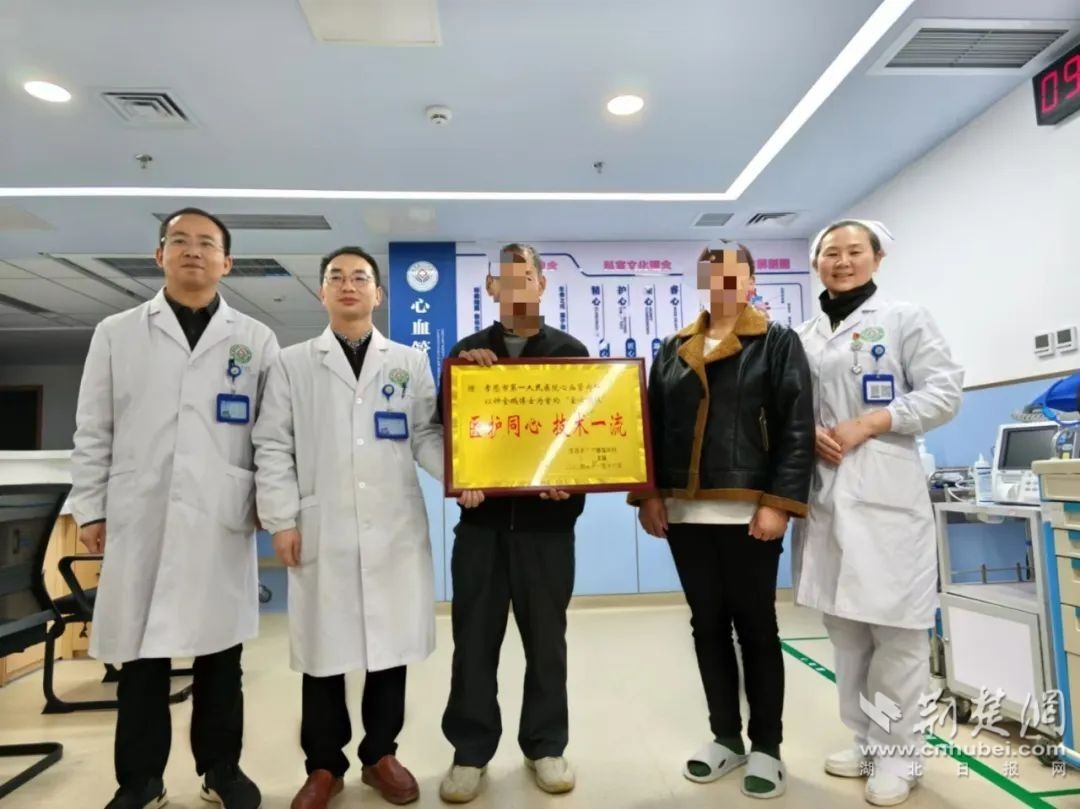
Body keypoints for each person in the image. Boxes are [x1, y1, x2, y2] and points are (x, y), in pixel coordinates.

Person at [253, 246, 477, 809]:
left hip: (392, 525)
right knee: (322, 652)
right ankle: (323, 766)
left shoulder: (408, 361)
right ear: (322, 292)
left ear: (378, 294)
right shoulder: (291, 363)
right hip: (321, 525)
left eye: (360, 277)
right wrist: (281, 519)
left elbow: (425, 435)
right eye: (336, 277)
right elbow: (273, 444)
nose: (348, 285)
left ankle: (380, 755)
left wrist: (461, 475)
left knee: (388, 647)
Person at [70, 208, 277, 809]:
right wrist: (90, 508)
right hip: (143, 512)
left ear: (226, 262)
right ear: (159, 255)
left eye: (206, 243)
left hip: (220, 514)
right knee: (142, 658)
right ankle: (140, 781)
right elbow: (93, 428)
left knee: (221, 655)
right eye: (179, 241)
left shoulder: (255, 338)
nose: (193, 251)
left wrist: (270, 503)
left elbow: (270, 435)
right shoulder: (117, 332)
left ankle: (222, 771)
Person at [633, 242, 814, 799]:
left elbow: (796, 427)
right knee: (706, 626)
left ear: (752, 281)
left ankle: (767, 748)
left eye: (734, 275)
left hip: (748, 510)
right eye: (712, 276)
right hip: (685, 510)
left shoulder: (777, 343)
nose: (723, 285)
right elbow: (651, 425)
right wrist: (649, 495)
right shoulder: (674, 348)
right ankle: (726, 738)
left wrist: (778, 502)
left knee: (756, 627)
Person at [792, 219, 963, 806]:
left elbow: (944, 392)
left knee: (897, 632)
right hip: (826, 492)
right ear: (816, 263)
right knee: (846, 632)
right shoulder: (805, 335)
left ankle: (901, 755)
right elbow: (793, 405)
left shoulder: (904, 318)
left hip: (887, 491)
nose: (842, 262)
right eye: (830, 253)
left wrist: (871, 422)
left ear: (877, 258)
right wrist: (808, 431)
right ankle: (866, 741)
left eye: (853, 251)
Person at [437, 243, 588, 804]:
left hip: (549, 530)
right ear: (492, 289)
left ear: (542, 285)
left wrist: (572, 481)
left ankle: (545, 745)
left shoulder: (571, 353)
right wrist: (464, 381)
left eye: (528, 276)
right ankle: (470, 752)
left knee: (547, 644)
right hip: (482, 528)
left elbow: (587, 434)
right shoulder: (467, 353)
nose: (518, 285)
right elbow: (446, 433)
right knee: (473, 643)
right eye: (506, 278)